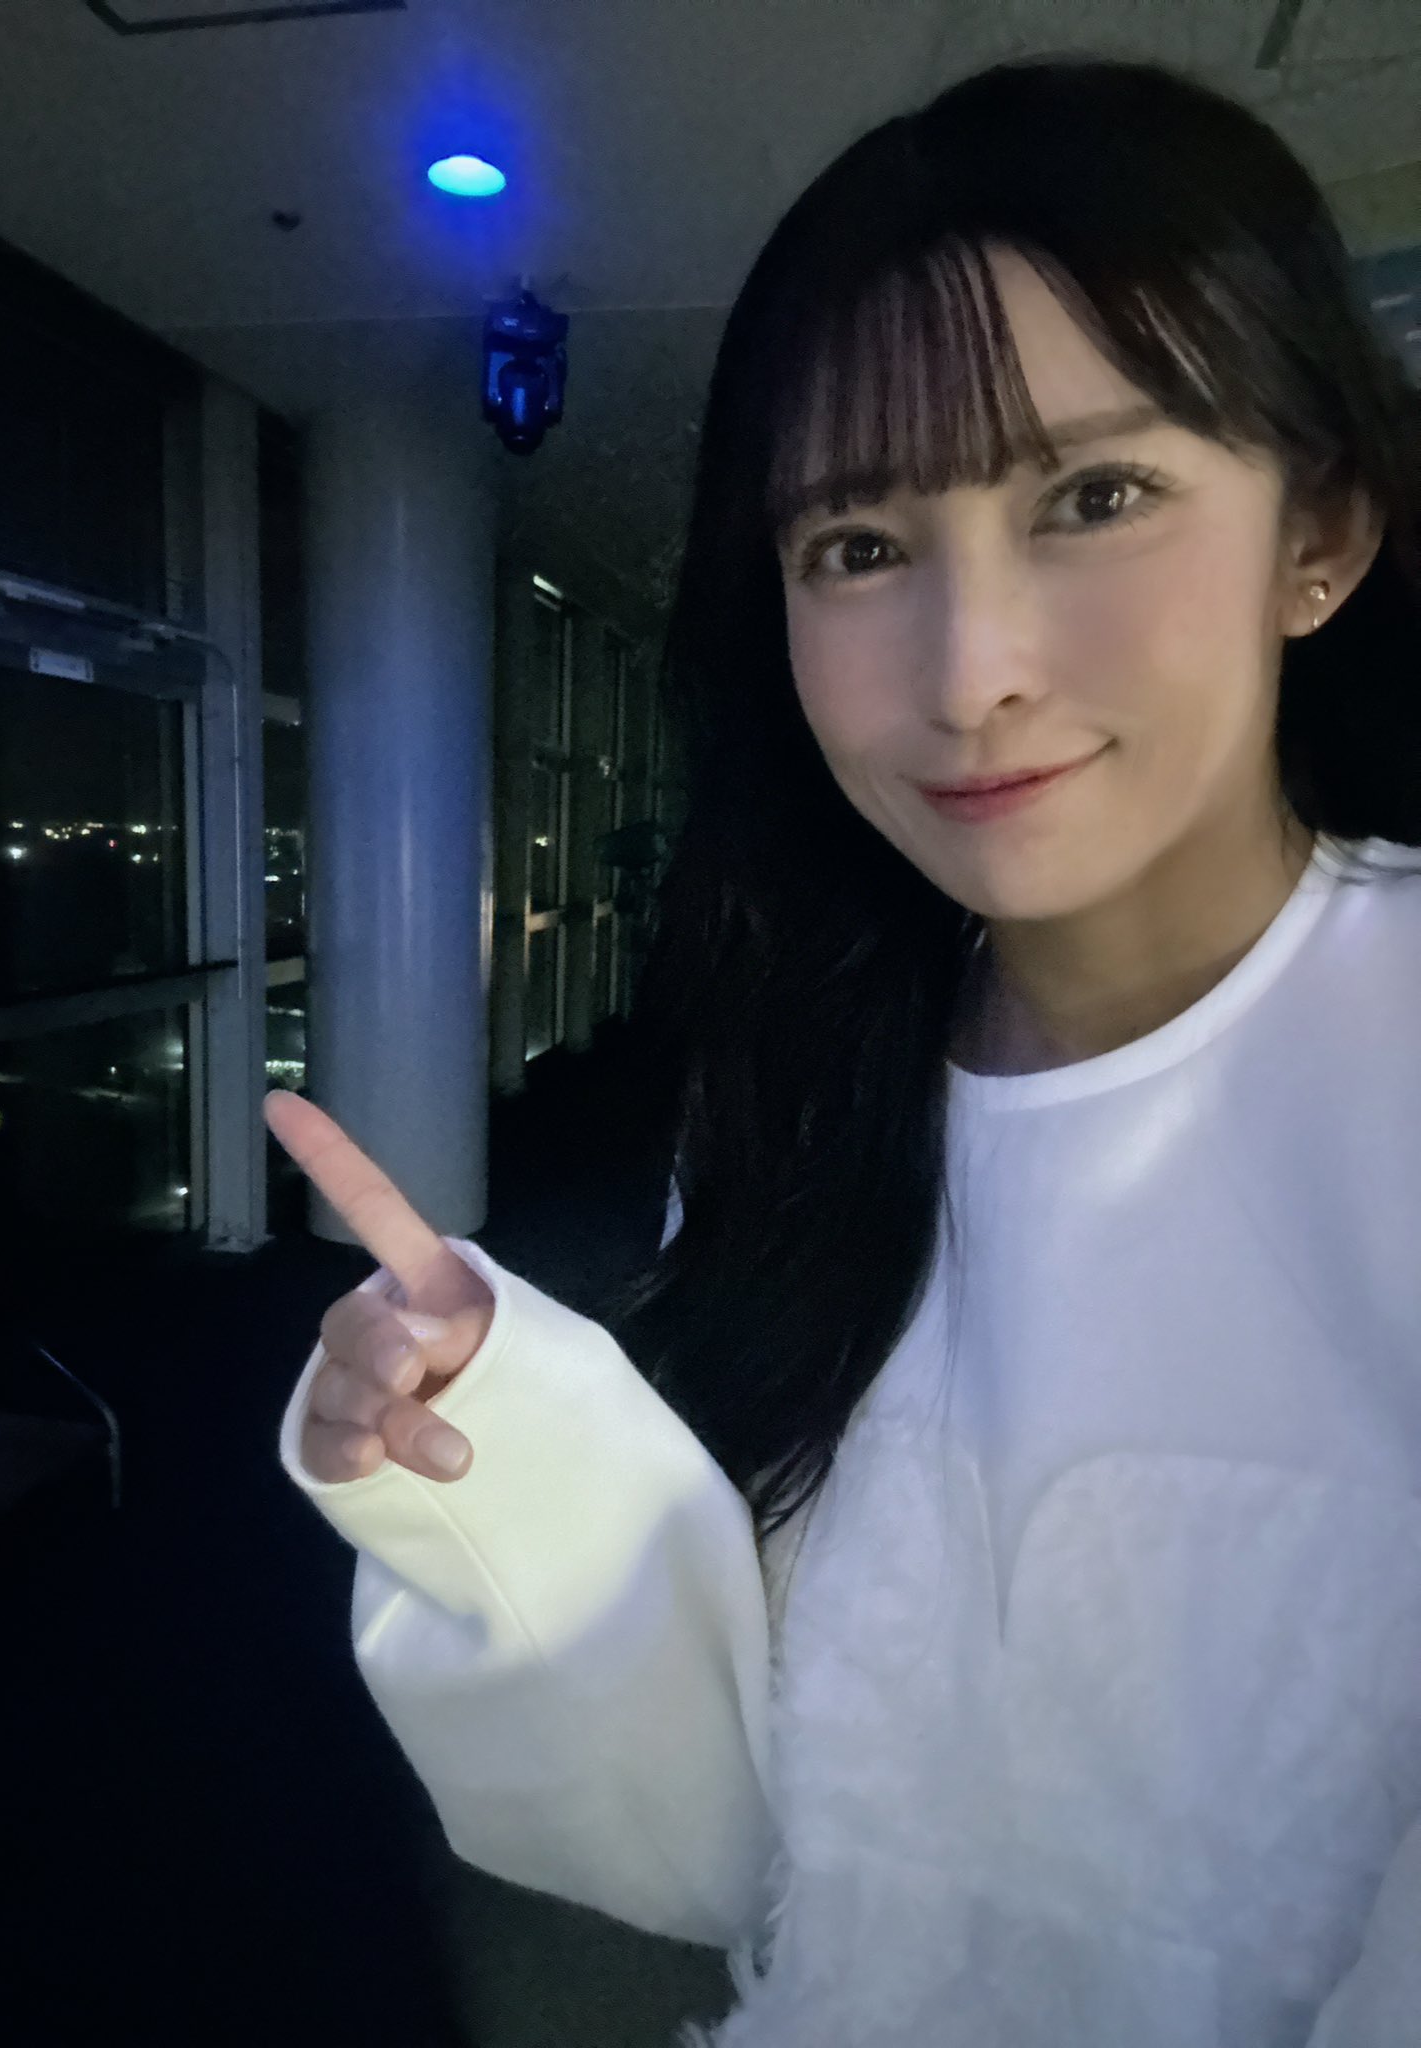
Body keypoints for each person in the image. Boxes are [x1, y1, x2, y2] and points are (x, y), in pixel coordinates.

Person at [267, 52, 1421, 2048]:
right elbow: (754, 1847)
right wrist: (506, 1444)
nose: (972, 672)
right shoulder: (811, 1092)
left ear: (1315, 536)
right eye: (860, 546)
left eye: (1095, 497)